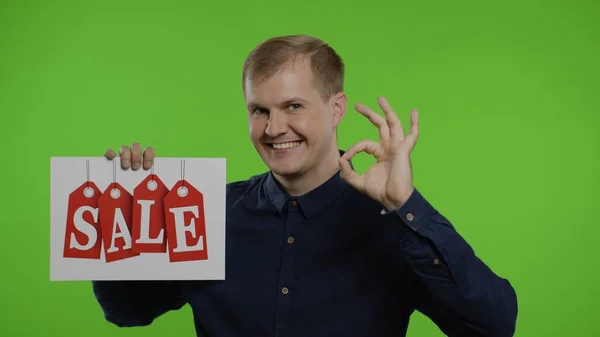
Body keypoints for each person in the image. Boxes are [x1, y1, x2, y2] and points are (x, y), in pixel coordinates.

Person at [93, 35, 518, 337]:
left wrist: (406, 205)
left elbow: (492, 326)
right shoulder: (205, 213)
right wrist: (128, 219)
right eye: (259, 110)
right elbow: (127, 311)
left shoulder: (394, 222)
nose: (274, 128)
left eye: (293, 106)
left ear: (336, 109)